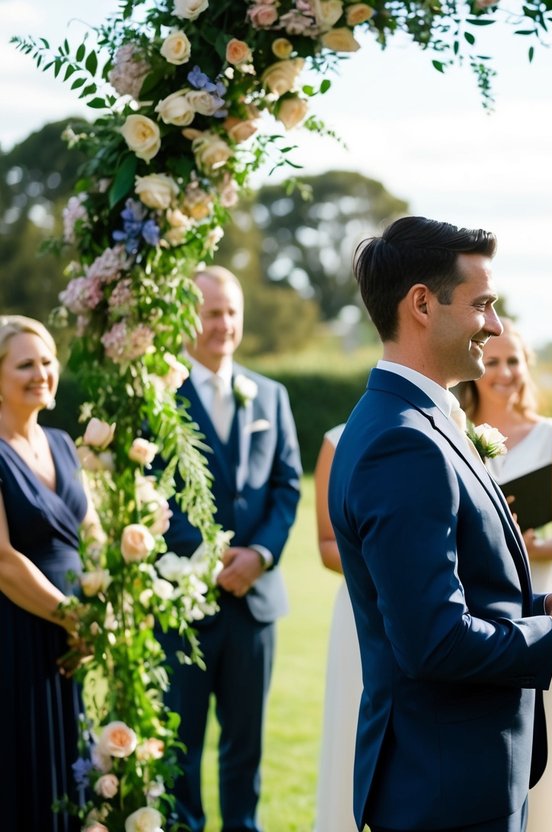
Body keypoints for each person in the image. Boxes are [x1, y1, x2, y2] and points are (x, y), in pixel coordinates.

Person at [327, 215, 552, 832]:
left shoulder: (419, 420)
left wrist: (549, 601)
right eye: (483, 303)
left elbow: (464, 591)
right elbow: (433, 640)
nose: (496, 324)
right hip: (443, 790)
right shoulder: (402, 443)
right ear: (423, 305)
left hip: (462, 775)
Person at [162, 266, 303, 832]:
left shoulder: (271, 393)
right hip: (183, 604)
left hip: (256, 604)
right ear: (186, 316)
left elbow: (288, 486)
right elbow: (149, 489)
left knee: (246, 748)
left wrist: (260, 555)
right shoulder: (158, 394)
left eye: (230, 312)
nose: (222, 323)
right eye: (210, 311)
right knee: (180, 747)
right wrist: (203, 556)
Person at [458, 318, 552, 831]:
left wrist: (534, 543)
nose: (504, 371)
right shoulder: (456, 434)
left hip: (544, 586)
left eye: (514, 360)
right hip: (481, 594)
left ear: (526, 367)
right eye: (494, 360)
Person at [0, 315, 91, 832]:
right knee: (23, 768)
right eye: (24, 364)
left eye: (48, 361)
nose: (41, 373)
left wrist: (102, 604)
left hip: (73, 642)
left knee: (72, 772)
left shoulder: (62, 443)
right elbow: (4, 561)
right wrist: (74, 616)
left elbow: (92, 531)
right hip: (17, 633)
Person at [314, 423, 360, 832]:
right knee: (354, 726)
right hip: (362, 606)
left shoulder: (450, 425)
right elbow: (328, 544)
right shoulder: (337, 441)